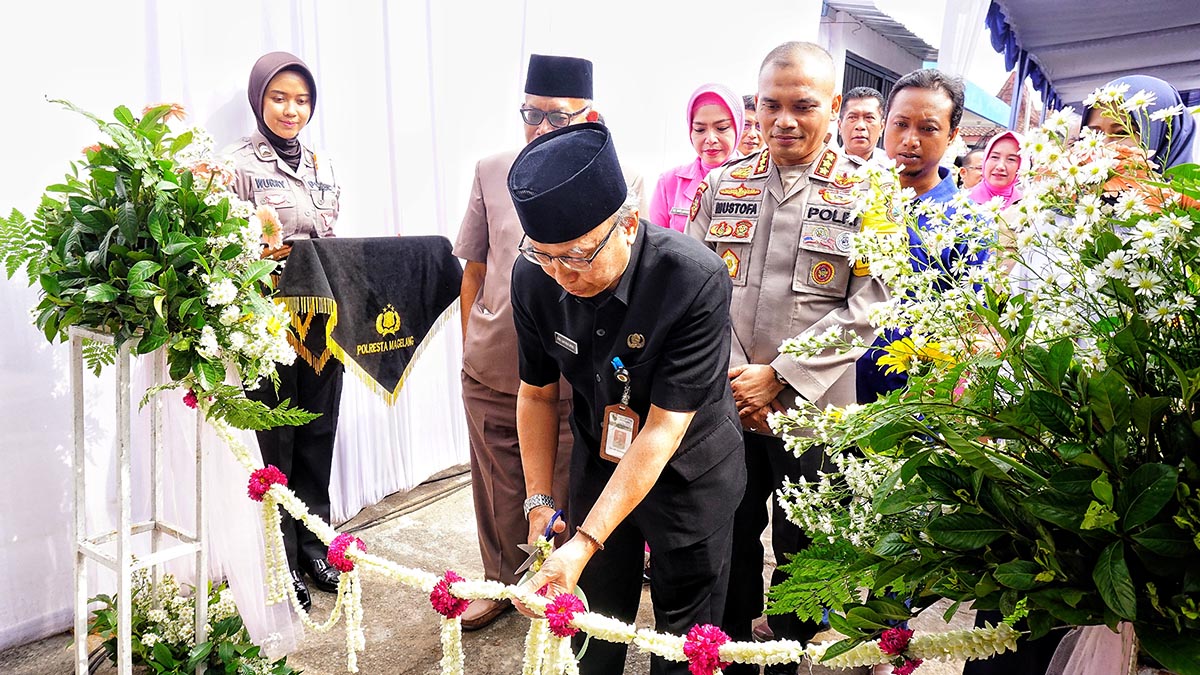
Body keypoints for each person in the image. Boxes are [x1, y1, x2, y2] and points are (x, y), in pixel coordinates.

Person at [509, 123, 745, 675]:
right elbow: (538, 395)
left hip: (690, 475)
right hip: (601, 462)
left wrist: (585, 540)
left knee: (686, 643)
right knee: (590, 624)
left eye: (578, 256)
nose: (562, 275)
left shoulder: (693, 277)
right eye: (545, 256)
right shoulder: (535, 277)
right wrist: (539, 499)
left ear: (629, 223)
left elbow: (664, 428)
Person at [687, 42, 888, 675]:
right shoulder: (725, 184)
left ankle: (788, 653)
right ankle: (736, 647)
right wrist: (736, 373)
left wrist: (779, 375)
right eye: (770, 105)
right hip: (727, 403)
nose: (784, 121)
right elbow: (692, 287)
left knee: (804, 543)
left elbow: (872, 304)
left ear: (832, 107)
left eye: (803, 106)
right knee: (731, 532)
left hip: (815, 414)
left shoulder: (867, 194)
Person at [454, 53, 645, 631]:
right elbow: (473, 268)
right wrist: (475, 341)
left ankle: (554, 587)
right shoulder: (491, 169)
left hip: (570, 371)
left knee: (562, 487)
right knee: (496, 484)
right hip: (493, 365)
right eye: (530, 115)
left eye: (557, 119)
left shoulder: (619, 176)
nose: (540, 129)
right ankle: (496, 581)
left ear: (590, 116)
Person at [230, 51, 343, 610]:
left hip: (323, 324)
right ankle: (280, 559)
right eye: (279, 97)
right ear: (259, 100)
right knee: (277, 442)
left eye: (301, 100)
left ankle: (315, 546)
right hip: (269, 330)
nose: (291, 109)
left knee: (318, 437)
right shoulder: (237, 168)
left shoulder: (321, 164)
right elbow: (229, 255)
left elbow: (331, 238)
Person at [649, 84, 744, 231]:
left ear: (738, 128)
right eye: (700, 129)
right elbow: (655, 242)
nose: (710, 139)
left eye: (722, 128)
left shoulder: (757, 181)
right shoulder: (670, 182)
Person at [1082, 74, 1197, 169]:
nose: (1104, 146)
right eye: (1094, 135)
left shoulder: (1189, 195)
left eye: (1122, 132)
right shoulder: (1075, 194)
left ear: (1166, 134)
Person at [968, 130, 1023, 208]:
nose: (1000, 166)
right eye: (994, 157)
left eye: (1011, 159)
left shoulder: (1026, 206)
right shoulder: (965, 202)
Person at [837, 86, 889, 164]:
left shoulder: (893, 168)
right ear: (840, 126)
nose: (860, 126)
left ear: (882, 127)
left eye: (869, 117)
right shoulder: (823, 166)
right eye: (852, 117)